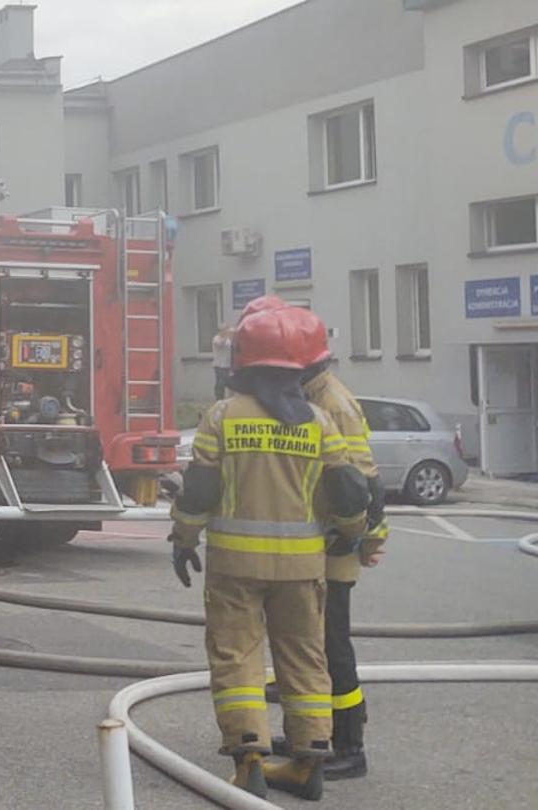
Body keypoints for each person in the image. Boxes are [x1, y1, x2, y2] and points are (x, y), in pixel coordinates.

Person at [170, 306, 370, 800]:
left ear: (243, 364)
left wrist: (183, 539)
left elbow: (198, 491)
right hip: (303, 569)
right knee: (305, 659)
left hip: (235, 568)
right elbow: (349, 493)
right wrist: (355, 532)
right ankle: (308, 762)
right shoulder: (319, 422)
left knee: (237, 659)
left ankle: (250, 760)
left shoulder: (221, 417)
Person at [259, 303, 388, 781]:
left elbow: (363, 484)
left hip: (333, 552)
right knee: (307, 646)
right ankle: (311, 736)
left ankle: (349, 745)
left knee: (332, 649)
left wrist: (362, 540)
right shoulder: (314, 395)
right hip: (316, 547)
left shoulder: (332, 403)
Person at [211, 324, 236, 400]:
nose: (226, 331)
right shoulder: (216, 338)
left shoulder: (229, 340)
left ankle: (230, 400)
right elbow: (220, 344)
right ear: (221, 331)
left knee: (231, 384)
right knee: (220, 384)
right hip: (219, 366)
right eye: (224, 330)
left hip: (228, 366)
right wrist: (226, 336)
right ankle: (219, 400)